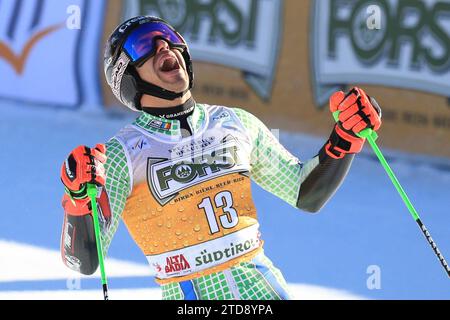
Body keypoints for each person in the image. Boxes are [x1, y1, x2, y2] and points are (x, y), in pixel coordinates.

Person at [59, 16, 382, 300]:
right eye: (145, 43)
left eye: (170, 37)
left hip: (264, 287)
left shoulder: (235, 122)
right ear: (126, 74)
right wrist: (77, 203)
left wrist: (345, 137)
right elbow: (83, 262)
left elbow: (305, 194)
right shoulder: (120, 154)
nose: (164, 46)